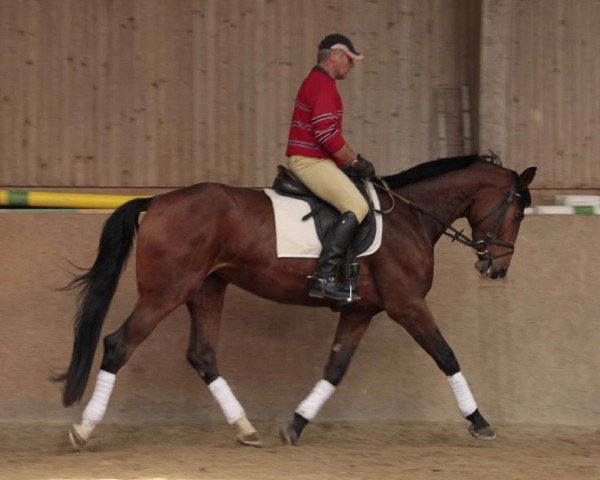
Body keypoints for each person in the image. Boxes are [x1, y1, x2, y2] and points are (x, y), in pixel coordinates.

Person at [285, 33, 376, 302]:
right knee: (358, 207)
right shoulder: (323, 85)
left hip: (317, 159)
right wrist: (356, 161)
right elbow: (326, 135)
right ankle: (324, 277)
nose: (352, 65)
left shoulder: (318, 82)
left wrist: (343, 164)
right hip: (310, 161)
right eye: (349, 59)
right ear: (334, 55)